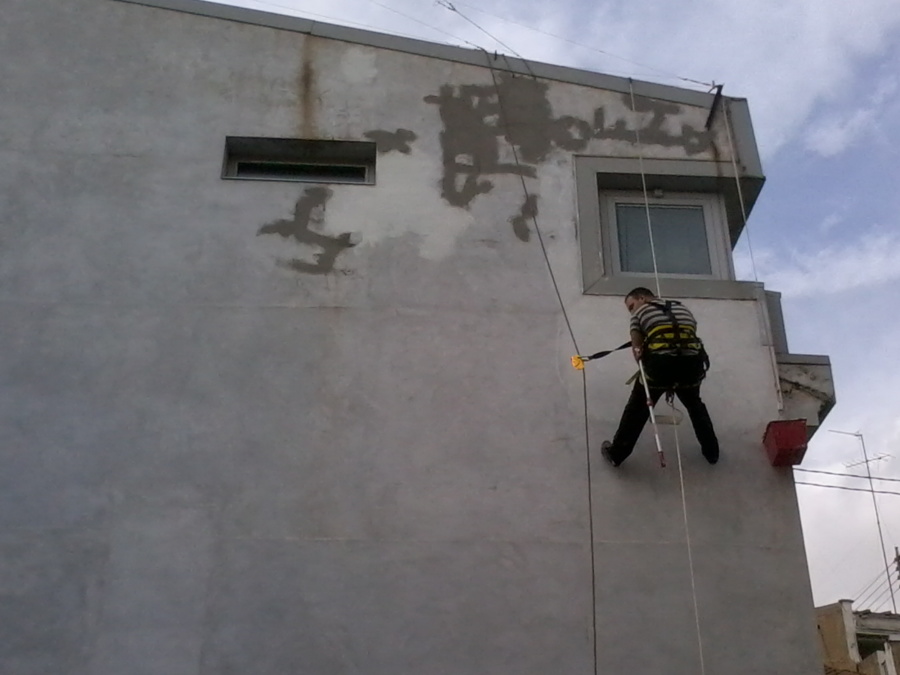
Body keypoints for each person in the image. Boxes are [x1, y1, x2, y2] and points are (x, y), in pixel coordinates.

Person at [601, 287, 719, 467]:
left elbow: (637, 349)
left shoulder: (640, 313)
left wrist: (642, 355)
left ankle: (617, 454)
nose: (632, 311)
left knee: (637, 408)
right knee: (695, 406)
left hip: (661, 366)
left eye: (631, 306)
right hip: (692, 364)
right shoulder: (682, 308)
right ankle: (712, 452)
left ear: (641, 298)